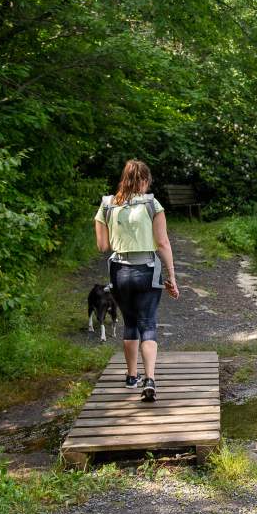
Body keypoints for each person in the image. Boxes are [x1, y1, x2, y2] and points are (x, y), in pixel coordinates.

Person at [94, 159, 180, 402]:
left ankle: (131, 376)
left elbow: (103, 245)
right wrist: (171, 276)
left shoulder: (107, 205)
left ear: (123, 179)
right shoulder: (152, 204)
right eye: (147, 181)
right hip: (147, 270)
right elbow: (163, 243)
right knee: (148, 324)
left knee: (129, 322)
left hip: (119, 270)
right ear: (143, 180)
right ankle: (149, 379)